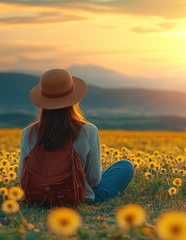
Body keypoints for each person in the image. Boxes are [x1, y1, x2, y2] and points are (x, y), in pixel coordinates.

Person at [17, 69, 134, 204]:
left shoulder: (29, 132)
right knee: (125, 166)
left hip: (36, 197)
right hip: (77, 198)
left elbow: (22, 176)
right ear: (73, 99)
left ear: (43, 101)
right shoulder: (88, 130)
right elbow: (94, 179)